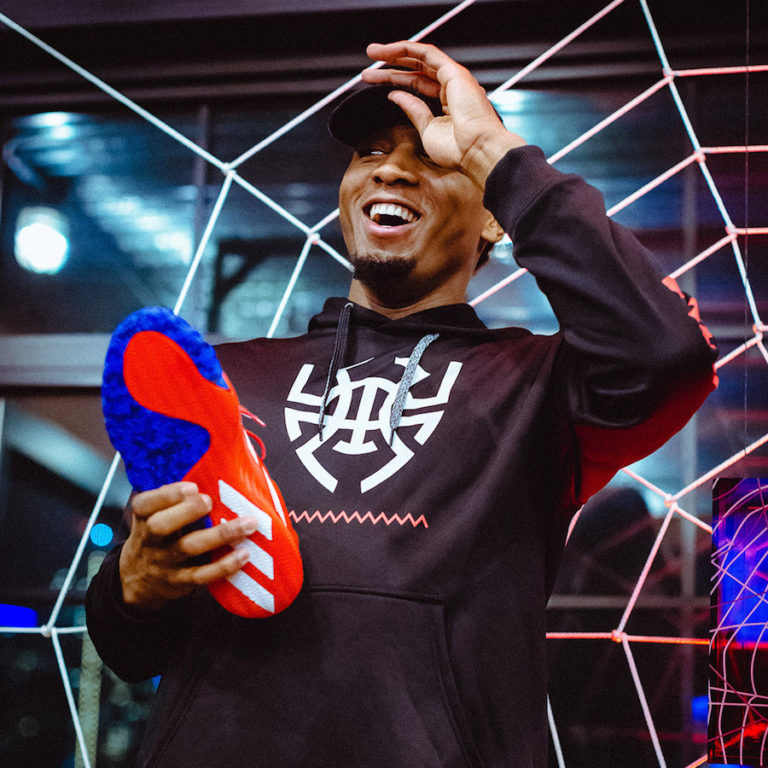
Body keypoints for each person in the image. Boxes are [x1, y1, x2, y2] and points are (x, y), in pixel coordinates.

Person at [86, 41, 717, 768]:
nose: (388, 170)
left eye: (435, 158)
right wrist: (134, 585)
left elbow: (668, 354)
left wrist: (493, 153)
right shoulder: (227, 380)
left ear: (493, 217)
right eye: (370, 153)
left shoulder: (538, 388)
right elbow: (129, 651)